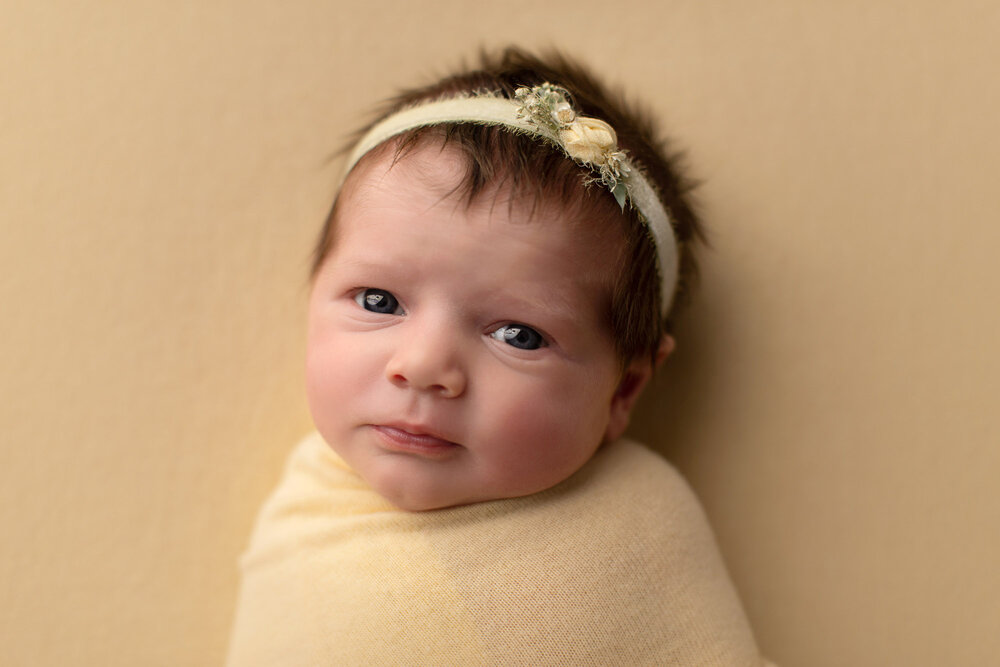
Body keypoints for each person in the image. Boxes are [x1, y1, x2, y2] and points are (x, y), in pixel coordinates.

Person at [227, 47, 773, 666]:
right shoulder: (303, 518)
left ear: (624, 390)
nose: (424, 365)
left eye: (518, 335)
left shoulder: (639, 528)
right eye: (379, 300)